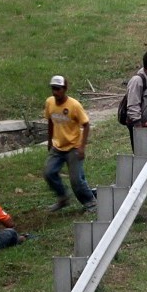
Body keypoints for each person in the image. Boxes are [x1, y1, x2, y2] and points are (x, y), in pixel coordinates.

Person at [43, 75, 98, 212]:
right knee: (49, 173)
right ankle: (63, 197)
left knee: (76, 180)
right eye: (53, 89)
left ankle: (90, 202)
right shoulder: (50, 102)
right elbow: (50, 121)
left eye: (58, 89)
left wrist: (82, 147)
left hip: (73, 147)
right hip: (58, 146)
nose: (55, 92)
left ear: (65, 89)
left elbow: (86, 125)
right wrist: (50, 141)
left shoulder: (74, 106)